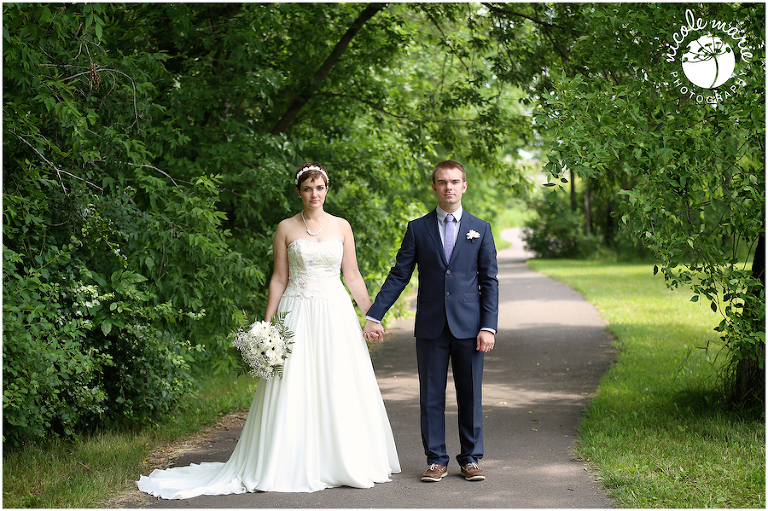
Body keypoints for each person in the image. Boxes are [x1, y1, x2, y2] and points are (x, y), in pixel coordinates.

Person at [136, 163, 400, 498]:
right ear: (298, 192)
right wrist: (267, 326)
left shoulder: (342, 227)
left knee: (338, 380)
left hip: (335, 313)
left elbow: (352, 275)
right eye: (307, 188)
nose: (314, 194)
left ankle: (341, 460)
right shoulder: (286, 228)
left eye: (319, 188)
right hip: (297, 312)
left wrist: (371, 315)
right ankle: (287, 460)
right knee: (293, 384)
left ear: (327, 189)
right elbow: (279, 278)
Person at [363, 160, 498, 483]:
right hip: (430, 327)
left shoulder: (481, 228)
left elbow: (489, 280)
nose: (448, 187)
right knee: (431, 396)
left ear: (464, 186)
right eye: (442, 182)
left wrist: (488, 326)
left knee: (471, 395)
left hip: (470, 326)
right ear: (434, 187)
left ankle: (470, 459)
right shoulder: (418, 229)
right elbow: (400, 275)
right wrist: (374, 314)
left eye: (454, 181)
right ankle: (436, 459)